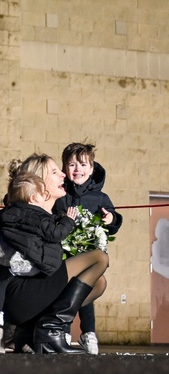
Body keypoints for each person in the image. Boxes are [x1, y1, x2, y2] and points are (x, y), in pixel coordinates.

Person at [0, 154, 109, 353]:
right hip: (22, 291)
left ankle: (38, 328)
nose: (63, 175)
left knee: (99, 282)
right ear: (39, 183)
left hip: (39, 282)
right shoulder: (24, 214)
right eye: (55, 172)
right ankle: (49, 330)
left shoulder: (50, 215)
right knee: (98, 258)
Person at [52, 142, 122, 354]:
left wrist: (111, 219)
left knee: (84, 291)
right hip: (65, 254)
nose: (77, 169)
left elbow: (114, 220)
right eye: (72, 165)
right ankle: (62, 330)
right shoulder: (61, 195)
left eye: (83, 165)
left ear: (92, 169)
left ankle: (88, 332)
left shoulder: (100, 198)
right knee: (66, 291)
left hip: (88, 254)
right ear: (65, 168)